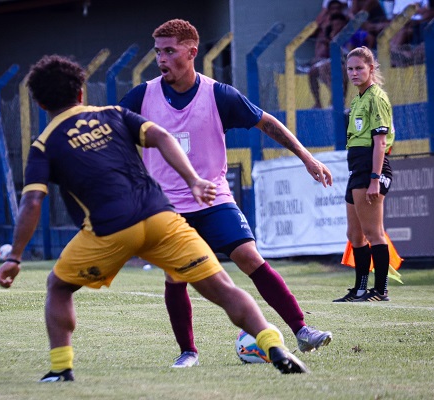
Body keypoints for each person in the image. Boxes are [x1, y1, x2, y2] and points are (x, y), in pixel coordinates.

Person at [0, 54, 310, 381]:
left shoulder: (44, 145)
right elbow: (162, 137)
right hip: (160, 215)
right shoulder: (114, 114)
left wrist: (15, 257)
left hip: (109, 230)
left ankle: (61, 368)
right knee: (222, 287)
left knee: (59, 286)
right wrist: (193, 180)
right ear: (80, 93)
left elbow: (32, 201)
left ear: (39, 103)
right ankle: (272, 344)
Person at [119, 19, 334, 368]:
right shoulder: (142, 96)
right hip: (167, 206)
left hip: (213, 198)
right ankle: (188, 352)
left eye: (169, 51)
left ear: (192, 52)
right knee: (176, 273)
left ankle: (302, 330)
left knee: (249, 256)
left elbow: (267, 122)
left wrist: (307, 157)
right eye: (158, 52)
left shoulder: (218, 94)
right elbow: (115, 133)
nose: (161, 59)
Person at [333, 46, 395, 302]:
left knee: (373, 232)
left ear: (371, 68)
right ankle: (359, 289)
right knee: (354, 235)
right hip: (357, 169)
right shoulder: (357, 99)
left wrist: (374, 178)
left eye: (359, 68)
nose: (354, 73)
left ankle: (380, 290)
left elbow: (380, 142)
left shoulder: (376, 97)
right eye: (350, 69)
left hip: (371, 170)